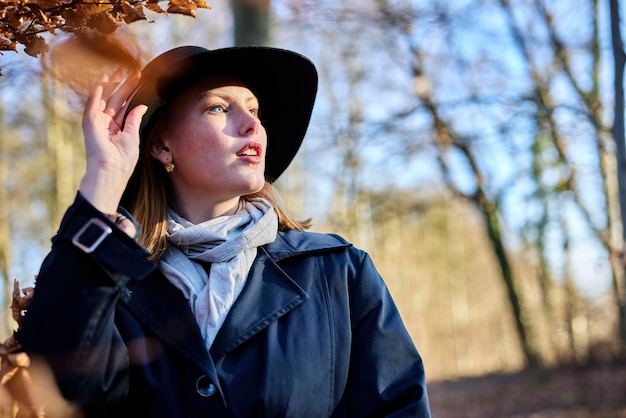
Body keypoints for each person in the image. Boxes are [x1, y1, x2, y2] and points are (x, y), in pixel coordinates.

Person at [17, 45, 431, 418]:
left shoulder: (340, 273)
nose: (251, 125)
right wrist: (103, 179)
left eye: (254, 110)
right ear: (161, 146)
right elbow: (61, 386)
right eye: (218, 108)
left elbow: (398, 408)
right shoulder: (107, 282)